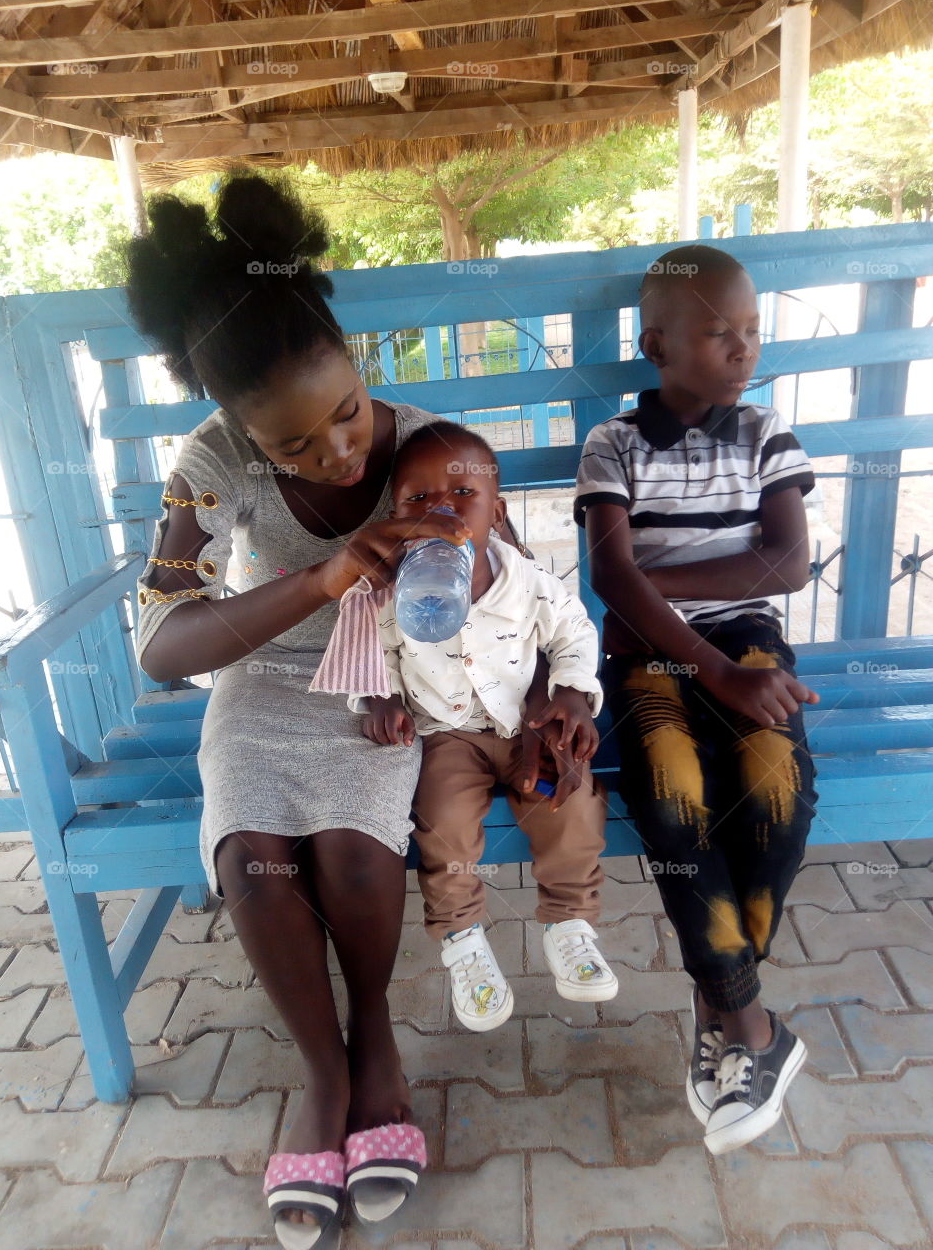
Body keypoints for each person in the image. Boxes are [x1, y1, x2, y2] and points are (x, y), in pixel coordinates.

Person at [124, 173, 541, 1249]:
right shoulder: (210, 466)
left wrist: (547, 694)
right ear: (239, 431)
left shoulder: (428, 448)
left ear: (357, 362)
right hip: (263, 684)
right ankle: (321, 1075)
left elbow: (525, 586)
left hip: (382, 688)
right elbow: (166, 643)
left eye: (347, 412)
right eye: (295, 446)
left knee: (356, 857)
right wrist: (316, 579)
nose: (340, 452)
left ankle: (378, 1048)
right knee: (253, 859)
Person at [576, 245, 820, 1155]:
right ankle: (754, 1029)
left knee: (777, 798)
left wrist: (658, 583)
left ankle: (719, 1007)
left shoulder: (767, 435)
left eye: (753, 331)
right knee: (676, 806)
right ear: (658, 345)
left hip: (750, 644)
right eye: (721, 333)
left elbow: (785, 566)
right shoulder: (614, 445)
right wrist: (704, 660)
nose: (743, 349)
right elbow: (610, 574)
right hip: (649, 661)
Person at [316, 421, 618, 1032]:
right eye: (418, 500)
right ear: (397, 516)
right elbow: (373, 656)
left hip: (529, 723)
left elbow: (575, 635)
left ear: (496, 513)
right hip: (448, 735)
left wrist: (575, 698)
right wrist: (378, 702)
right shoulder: (390, 594)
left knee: (572, 799)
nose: (441, 512)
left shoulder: (529, 582)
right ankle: (463, 941)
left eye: (462, 495)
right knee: (444, 822)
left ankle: (569, 921)